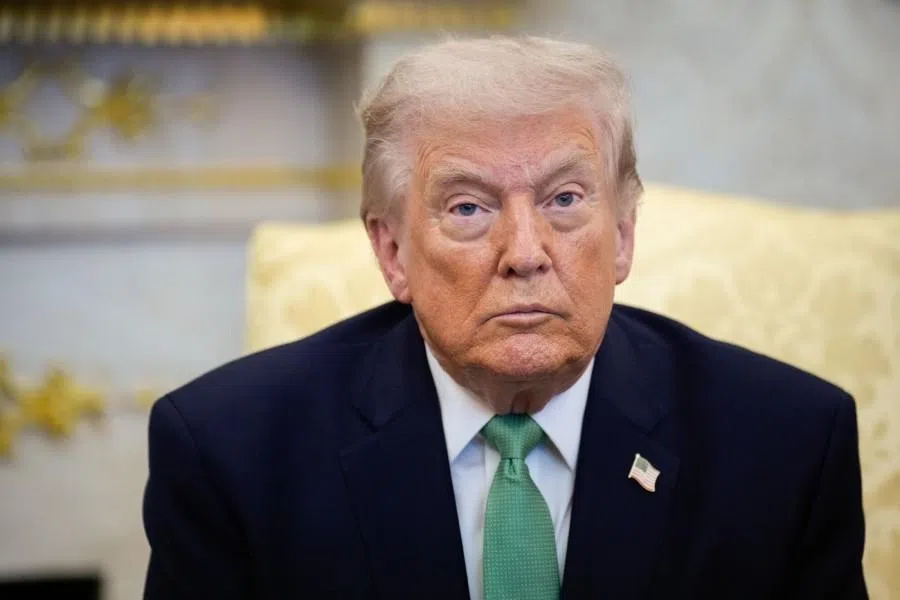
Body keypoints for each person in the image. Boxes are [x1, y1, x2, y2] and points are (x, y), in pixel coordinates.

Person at [142, 36, 867, 599]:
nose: (525, 253)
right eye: (468, 207)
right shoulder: (227, 455)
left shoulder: (787, 445)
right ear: (392, 251)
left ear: (622, 234)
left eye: (564, 200)